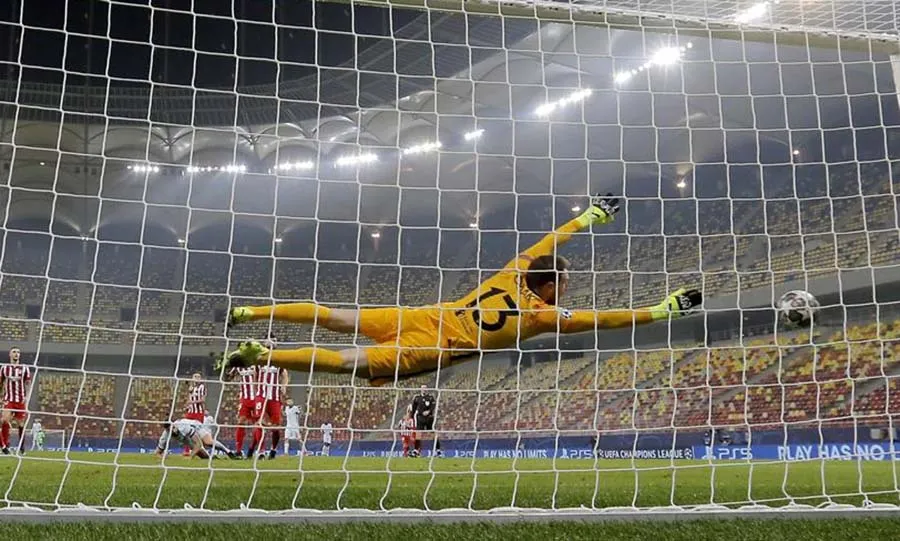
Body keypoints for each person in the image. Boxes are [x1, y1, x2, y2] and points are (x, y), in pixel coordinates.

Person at [216, 195, 702, 385]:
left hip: (423, 316)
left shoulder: (513, 271)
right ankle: (264, 356)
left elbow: (550, 242)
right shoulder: (542, 316)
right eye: (564, 283)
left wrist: (588, 218)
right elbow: (603, 320)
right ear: (551, 286)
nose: (566, 290)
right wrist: (659, 311)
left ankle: (253, 312)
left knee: (335, 315)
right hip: (434, 347)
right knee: (345, 359)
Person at [155, 418, 239, 459]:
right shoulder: (164, 436)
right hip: (186, 438)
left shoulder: (183, 427)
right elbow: (157, 452)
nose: (172, 431)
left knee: (207, 442)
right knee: (204, 457)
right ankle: (214, 458)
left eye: (173, 428)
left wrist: (190, 457)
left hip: (197, 427)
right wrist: (162, 457)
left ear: (174, 425)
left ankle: (229, 452)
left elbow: (199, 444)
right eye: (169, 430)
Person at [0, 347, 32, 455]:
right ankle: (4, 446)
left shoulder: (25, 368)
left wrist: (26, 397)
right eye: (14, 352)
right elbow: (1, 383)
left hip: (20, 400)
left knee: (21, 424)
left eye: (18, 352)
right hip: (8, 399)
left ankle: (22, 446)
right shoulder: (4, 368)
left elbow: (27, 383)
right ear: (10, 354)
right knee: (4, 420)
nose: (16, 354)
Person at [410, 385, 440, 457]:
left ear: (427, 389)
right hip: (420, 418)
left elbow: (433, 406)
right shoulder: (417, 398)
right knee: (418, 434)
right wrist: (412, 416)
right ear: (421, 389)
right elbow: (413, 408)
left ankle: (438, 450)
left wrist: (429, 411)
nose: (424, 389)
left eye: (425, 388)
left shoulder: (430, 397)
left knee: (433, 433)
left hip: (429, 418)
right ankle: (416, 450)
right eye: (423, 388)